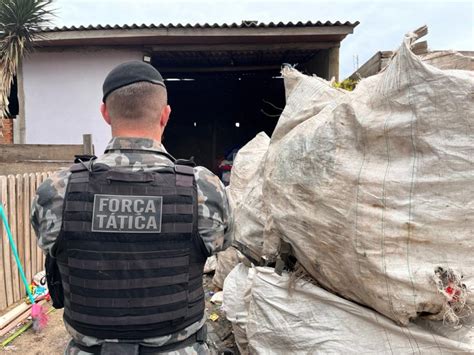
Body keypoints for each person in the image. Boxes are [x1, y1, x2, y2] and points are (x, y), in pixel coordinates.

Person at [31, 61, 232, 355]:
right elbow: (222, 244)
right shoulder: (205, 187)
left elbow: (51, 246)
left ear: (104, 113)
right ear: (165, 115)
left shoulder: (56, 190)